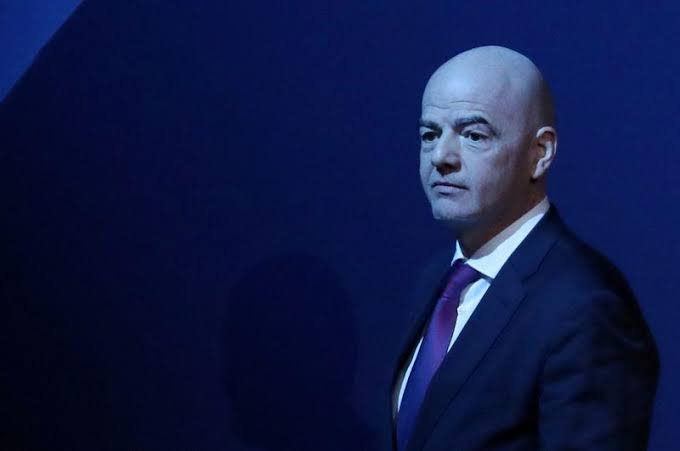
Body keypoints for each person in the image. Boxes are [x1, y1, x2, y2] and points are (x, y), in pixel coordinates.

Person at [386, 46, 659, 451]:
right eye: (430, 134)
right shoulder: (437, 280)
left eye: (474, 135)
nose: (441, 156)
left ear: (540, 153)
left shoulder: (587, 306)